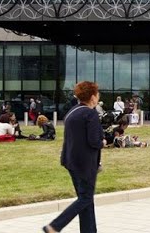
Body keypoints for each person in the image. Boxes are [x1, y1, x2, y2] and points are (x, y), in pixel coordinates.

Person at [43, 81, 105, 233]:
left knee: (86, 200)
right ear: (92, 97)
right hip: (85, 164)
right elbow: (94, 141)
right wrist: (103, 141)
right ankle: (55, 225)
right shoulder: (90, 114)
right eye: (97, 95)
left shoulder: (73, 112)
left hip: (71, 161)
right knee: (85, 198)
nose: (98, 97)